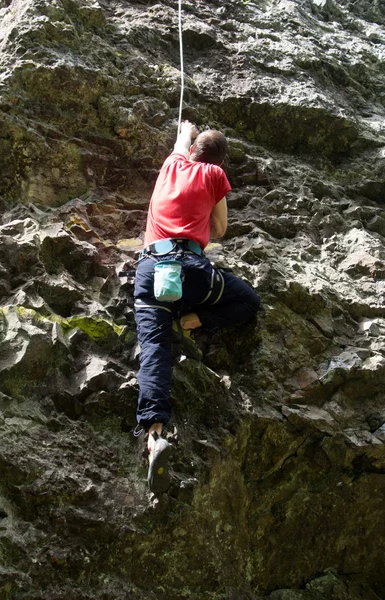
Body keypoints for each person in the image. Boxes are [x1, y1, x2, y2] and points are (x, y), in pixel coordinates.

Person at [134, 121, 260, 493]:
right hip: (192, 272)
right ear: (220, 160)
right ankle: (196, 319)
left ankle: (155, 433)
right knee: (248, 301)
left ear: (190, 150)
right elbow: (219, 229)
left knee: (154, 347)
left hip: (151, 270)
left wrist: (185, 130)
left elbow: (179, 142)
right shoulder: (215, 174)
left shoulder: (172, 163)